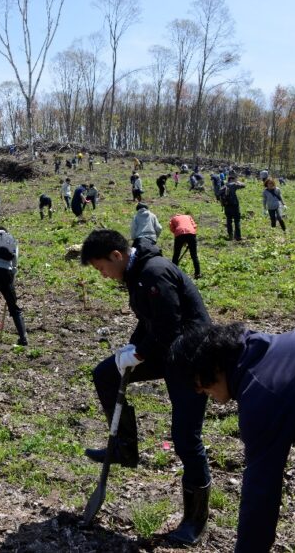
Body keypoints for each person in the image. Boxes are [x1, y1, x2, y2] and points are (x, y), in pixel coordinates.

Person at [79, 230, 213, 545]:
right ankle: (124, 448)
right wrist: (131, 348)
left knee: (185, 438)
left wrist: (138, 354)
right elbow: (149, 322)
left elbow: (169, 327)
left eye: (101, 268)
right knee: (106, 374)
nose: (103, 275)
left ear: (117, 255)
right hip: (167, 351)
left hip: (191, 357)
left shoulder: (155, 273)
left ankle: (194, 520)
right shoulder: (137, 274)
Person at [170, 323, 295, 552]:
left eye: (196, 382)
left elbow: (261, 493)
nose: (198, 391)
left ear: (211, 365)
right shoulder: (262, 351)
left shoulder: (262, 391)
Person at [170, 213, 201, 280]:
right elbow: (194, 226)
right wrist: (190, 241)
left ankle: (172, 273)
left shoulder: (173, 218)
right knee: (194, 255)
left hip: (179, 233)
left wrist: (180, 237)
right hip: (191, 233)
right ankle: (198, 273)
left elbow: (172, 229)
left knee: (176, 254)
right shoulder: (188, 216)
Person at [219, 174, 247, 241]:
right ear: (232, 179)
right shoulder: (233, 185)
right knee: (237, 221)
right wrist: (237, 181)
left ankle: (230, 236)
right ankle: (238, 236)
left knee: (229, 221)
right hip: (234, 206)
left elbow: (218, 195)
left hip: (226, 206)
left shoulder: (223, 186)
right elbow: (243, 185)